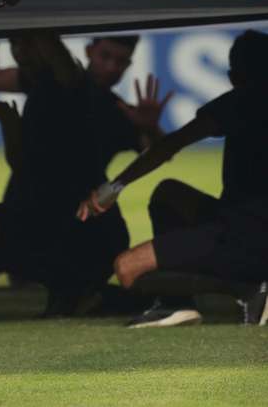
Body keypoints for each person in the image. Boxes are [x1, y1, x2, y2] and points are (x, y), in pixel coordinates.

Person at [0, 36, 170, 307]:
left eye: (120, 62)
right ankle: (33, 272)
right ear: (88, 51)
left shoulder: (105, 103)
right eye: (106, 56)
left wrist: (150, 128)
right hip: (33, 213)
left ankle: (41, 274)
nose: (111, 67)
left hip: (72, 222)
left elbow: (158, 151)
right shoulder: (42, 83)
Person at [78, 29, 268, 327]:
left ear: (234, 77)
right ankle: (177, 302)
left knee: (126, 269)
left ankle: (248, 288)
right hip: (242, 225)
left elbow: (172, 144)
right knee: (170, 194)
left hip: (245, 235)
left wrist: (114, 186)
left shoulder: (242, 100)